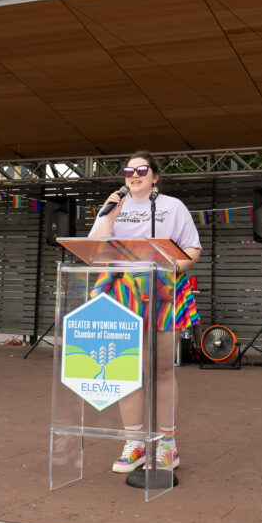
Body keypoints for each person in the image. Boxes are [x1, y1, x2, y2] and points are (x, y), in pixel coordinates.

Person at [88, 150, 201, 473]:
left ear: (155, 176)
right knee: (126, 370)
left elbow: (192, 249)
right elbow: (94, 249)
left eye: (141, 170)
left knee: (162, 370)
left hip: (163, 288)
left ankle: (167, 445)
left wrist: (169, 267)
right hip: (122, 292)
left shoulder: (172, 207)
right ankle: (135, 443)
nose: (134, 176)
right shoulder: (113, 206)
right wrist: (110, 214)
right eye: (128, 171)